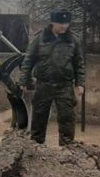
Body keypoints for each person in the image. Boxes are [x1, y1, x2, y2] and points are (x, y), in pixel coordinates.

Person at [20, 9, 86, 145]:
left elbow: (79, 63)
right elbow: (28, 60)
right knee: (39, 116)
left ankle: (67, 147)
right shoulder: (40, 38)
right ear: (52, 23)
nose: (64, 26)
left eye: (66, 23)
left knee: (67, 116)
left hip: (65, 85)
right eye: (60, 23)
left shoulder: (73, 40)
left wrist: (80, 83)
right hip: (44, 84)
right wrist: (24, 80)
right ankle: (36, 146)